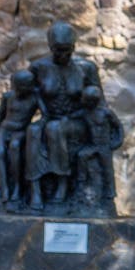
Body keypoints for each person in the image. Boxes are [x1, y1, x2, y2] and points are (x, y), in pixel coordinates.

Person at [25, 20, 102, 209]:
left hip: (77, 120)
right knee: (33, 131)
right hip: (48, 117)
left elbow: (99, 102)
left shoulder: (86, 68)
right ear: (50, 47)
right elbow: (26, 99)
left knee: (55, 129)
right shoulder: (38, 68)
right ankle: (35, 188)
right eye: (58, 50)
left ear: (74, 47)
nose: (63, 55)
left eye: (68, 50)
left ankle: (63, 182)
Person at [0, 69, 39, 203]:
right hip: (4, 129)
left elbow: (46, 116)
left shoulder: (35, 98)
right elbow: (0, 116)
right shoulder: (8, 97)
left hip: (20, 131)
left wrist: (36, 127)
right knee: (0, 153)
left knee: (15, 149)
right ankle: (4, 189)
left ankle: (16, 188)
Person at [76, 85, 124, 200]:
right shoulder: (85, 113)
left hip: (104, 145)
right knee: (81, 156)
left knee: (107, 168)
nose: (83, 101)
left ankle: (110, 192)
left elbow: (118, 127)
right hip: (93, 145)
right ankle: (80, 184)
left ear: (92, 101)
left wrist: (118, 141)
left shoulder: (106, 113)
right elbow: (72, 117)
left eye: (85, 100)